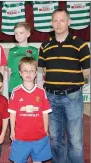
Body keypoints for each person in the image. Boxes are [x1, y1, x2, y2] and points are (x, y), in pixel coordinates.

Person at [38, 8, 90, 163]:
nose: (58, 24)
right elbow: (42, 71)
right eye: (55, 20)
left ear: (69, 22)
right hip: (51, 97)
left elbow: (87, 71)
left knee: (75, 139)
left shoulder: (80, 44)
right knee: (56, 138)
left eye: (62, 20)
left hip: (72, 97)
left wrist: (71, 82)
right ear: (51, 23)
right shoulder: (45, 45)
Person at [9, 57, 52, 163]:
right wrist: (13, 131)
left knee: (38, 160)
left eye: (31, 70)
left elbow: (45, 113)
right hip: (21, 136)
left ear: (36, 73)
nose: (28, 73)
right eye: (25, 70)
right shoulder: (16, 91)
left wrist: (46, 130)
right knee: (18, 160)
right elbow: (12, 113)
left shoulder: (41, 91)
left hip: (38, 136)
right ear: (20, 73)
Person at [8, 22, 38, 98]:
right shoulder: (12, 51)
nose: (18, 35)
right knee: (14, 109)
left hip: (29, 86)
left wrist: (36, 85)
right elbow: (9, 70)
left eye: (21, 33)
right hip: (14, 86)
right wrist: (10, 85)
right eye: (16, 33)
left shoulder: (34, 51)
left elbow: (36, 71)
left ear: (28, 34)